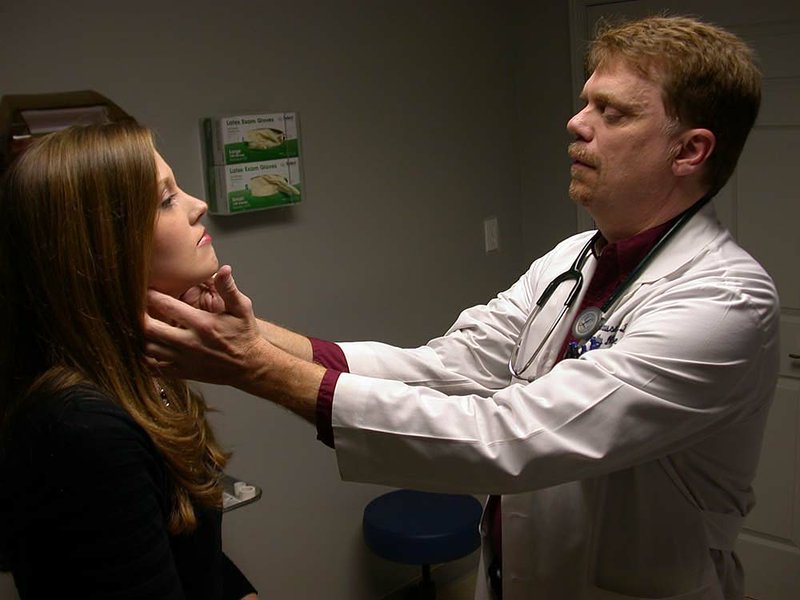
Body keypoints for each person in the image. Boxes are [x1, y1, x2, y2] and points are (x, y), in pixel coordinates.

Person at [144, 16, 779, 600]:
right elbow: (447, 366)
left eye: (611, 112)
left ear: (689, 151)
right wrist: (254, 337)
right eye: (586, 100)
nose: (577, 122)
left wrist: (255, 367)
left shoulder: (723, 305)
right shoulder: (573, 259)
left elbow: (507, 436)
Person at [0, 122, 257, 600]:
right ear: (103, 248)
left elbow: (188, 548)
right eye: (166, 200)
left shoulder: (143, 369)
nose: (198, 205)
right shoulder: (81, 427)